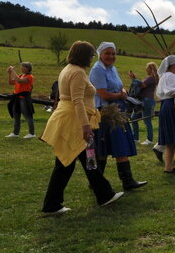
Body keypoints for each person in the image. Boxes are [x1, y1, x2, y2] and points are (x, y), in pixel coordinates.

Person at [41, 41, 123, 216]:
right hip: (74, 121)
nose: (92, 58)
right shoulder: (77, 73)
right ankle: (103, 195)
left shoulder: (68, 69)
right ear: (84, 56)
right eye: (91, 55)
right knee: (77, 160)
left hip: (69, 118)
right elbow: (77, 100)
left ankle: (53, 203)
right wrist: (86, 126)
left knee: (71, 162)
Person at [89, 42, 147, 190]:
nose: (111, 56)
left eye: (113, 53)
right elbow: (103, 94)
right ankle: (119, 181)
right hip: (105, 112)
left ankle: (102, 181)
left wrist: (123, 91)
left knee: (107, 147)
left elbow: (118, 85)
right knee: (106, 147)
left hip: (117, 110)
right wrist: (120, 95)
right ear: (100, 54)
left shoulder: (112, 69)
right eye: (107, 53)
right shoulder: (97, 70)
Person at [129, 62, 159, 145]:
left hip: (147, 101)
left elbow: (141, 86)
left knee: (147, 121)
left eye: (147, 68)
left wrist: (134, 78)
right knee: (134, 118)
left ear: (151, 69)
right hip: (142, 101)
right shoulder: (151, 78)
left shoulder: (151, 78)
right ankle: (135, 138)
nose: (146, 69)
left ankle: (149, 140)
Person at [6, 62, 36, 138]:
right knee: (16, 116)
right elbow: (11, 82)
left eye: (23, 67)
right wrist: (9, 73)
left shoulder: (30, 77)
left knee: (27, 116)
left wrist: (13, 71)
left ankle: (32, 133)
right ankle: (15, 133)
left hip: (24, 99)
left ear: (28, 68)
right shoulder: (20, 75)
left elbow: (19, 81)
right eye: (21, 67)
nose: (21, 68)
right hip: (16, 99)